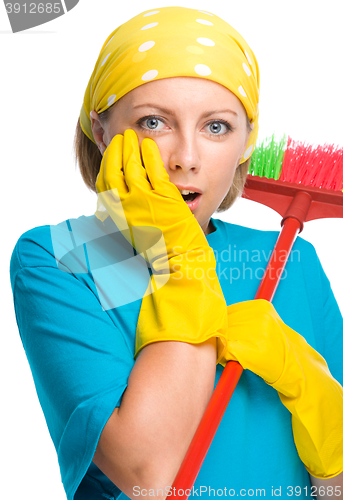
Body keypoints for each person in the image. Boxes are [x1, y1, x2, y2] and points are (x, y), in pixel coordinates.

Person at [9, 6, 343, 500]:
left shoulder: (290, 260)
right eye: (154, 122)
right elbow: (147, 475)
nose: (185, 158)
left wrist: (316, 402)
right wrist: (180, 260)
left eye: (216, 127)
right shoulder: (65, 260)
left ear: (247, 142)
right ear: (102, 133)